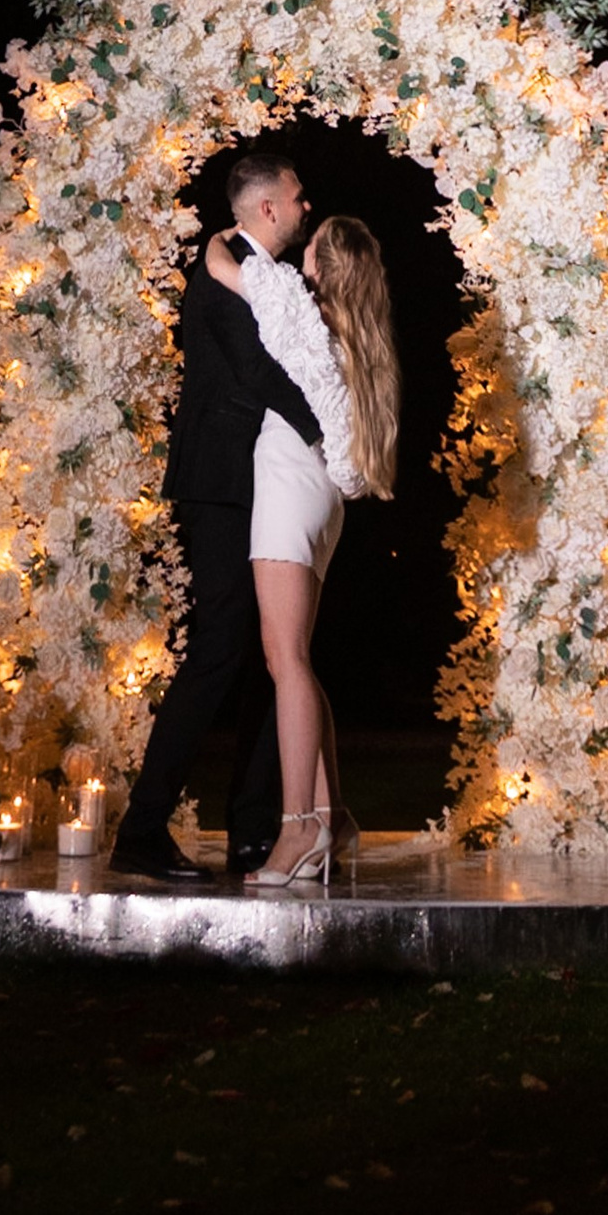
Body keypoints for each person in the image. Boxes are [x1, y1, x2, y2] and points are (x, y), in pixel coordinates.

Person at [106, 140, 326, 883]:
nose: (305, 205)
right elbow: (261, 371)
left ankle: (252, 830)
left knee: (274, 655)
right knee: (220, 650)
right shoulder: (226, 272)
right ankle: (142, 829)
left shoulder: (261, 273)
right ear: (267, 206)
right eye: (296, 195)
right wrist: (330, 431)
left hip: (261, 481)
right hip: (222, 483)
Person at [212, 206, 399, 888]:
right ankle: (331, 812)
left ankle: (297, 827)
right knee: (297, 660)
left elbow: (223, 266)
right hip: (322, 499)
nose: (302, 252)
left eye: (312, 245)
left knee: (284, 661)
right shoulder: (355, 332)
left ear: (325, 264)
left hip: (290, 484)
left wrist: (223, 234)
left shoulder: (302, 312)